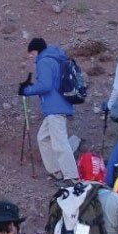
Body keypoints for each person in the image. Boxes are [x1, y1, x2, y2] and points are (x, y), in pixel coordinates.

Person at [19, 38, 79, 181]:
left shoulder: (44, 61)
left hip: (54, 108)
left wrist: (27, 90)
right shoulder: (55, 59)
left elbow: (46, 86)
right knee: (43, 137)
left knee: (60, 143)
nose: (31, 56)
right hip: (59, 106)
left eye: (31, 53)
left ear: (36, 50)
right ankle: (56, 171)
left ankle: (72, 177)